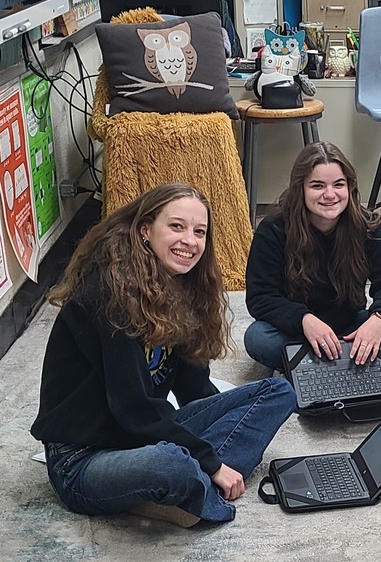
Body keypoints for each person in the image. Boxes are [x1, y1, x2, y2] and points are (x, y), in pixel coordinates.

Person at [31, 183, 296, 527]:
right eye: (176, 227)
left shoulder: (183, 287)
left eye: (199, 232)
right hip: (83, 459)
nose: (190, 241)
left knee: (279, 391)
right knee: (172, 464)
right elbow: (134, 409)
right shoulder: (108, 291)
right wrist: (212, 462)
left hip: (139, 435)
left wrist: (218, 426)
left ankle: (180, 496)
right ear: (145, 231)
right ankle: (188, 492)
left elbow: (194, 391)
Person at [244, 141, 381, 383]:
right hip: (299, 331)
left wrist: (377, 320)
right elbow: (261, 298)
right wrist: (303, 320)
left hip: (351, 326)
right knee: (257, 338)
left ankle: (302, 366)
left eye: (338, 184)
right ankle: (371, 361)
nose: (330, 195)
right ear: (301, 189)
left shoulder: (368, 226)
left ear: (349, 186)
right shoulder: (273, 229)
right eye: (317, 186)